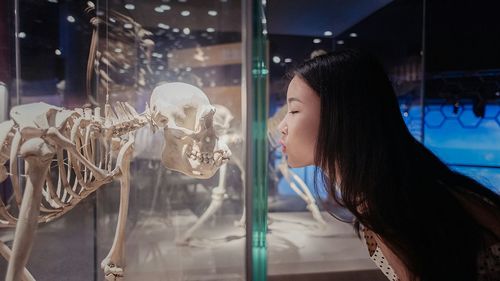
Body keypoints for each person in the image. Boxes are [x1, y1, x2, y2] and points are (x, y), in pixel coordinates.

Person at [277, 48, 500, 281]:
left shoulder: (392, 206)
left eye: (294, 110)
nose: (282, 126)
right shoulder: (379, 193)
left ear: (341, 116)